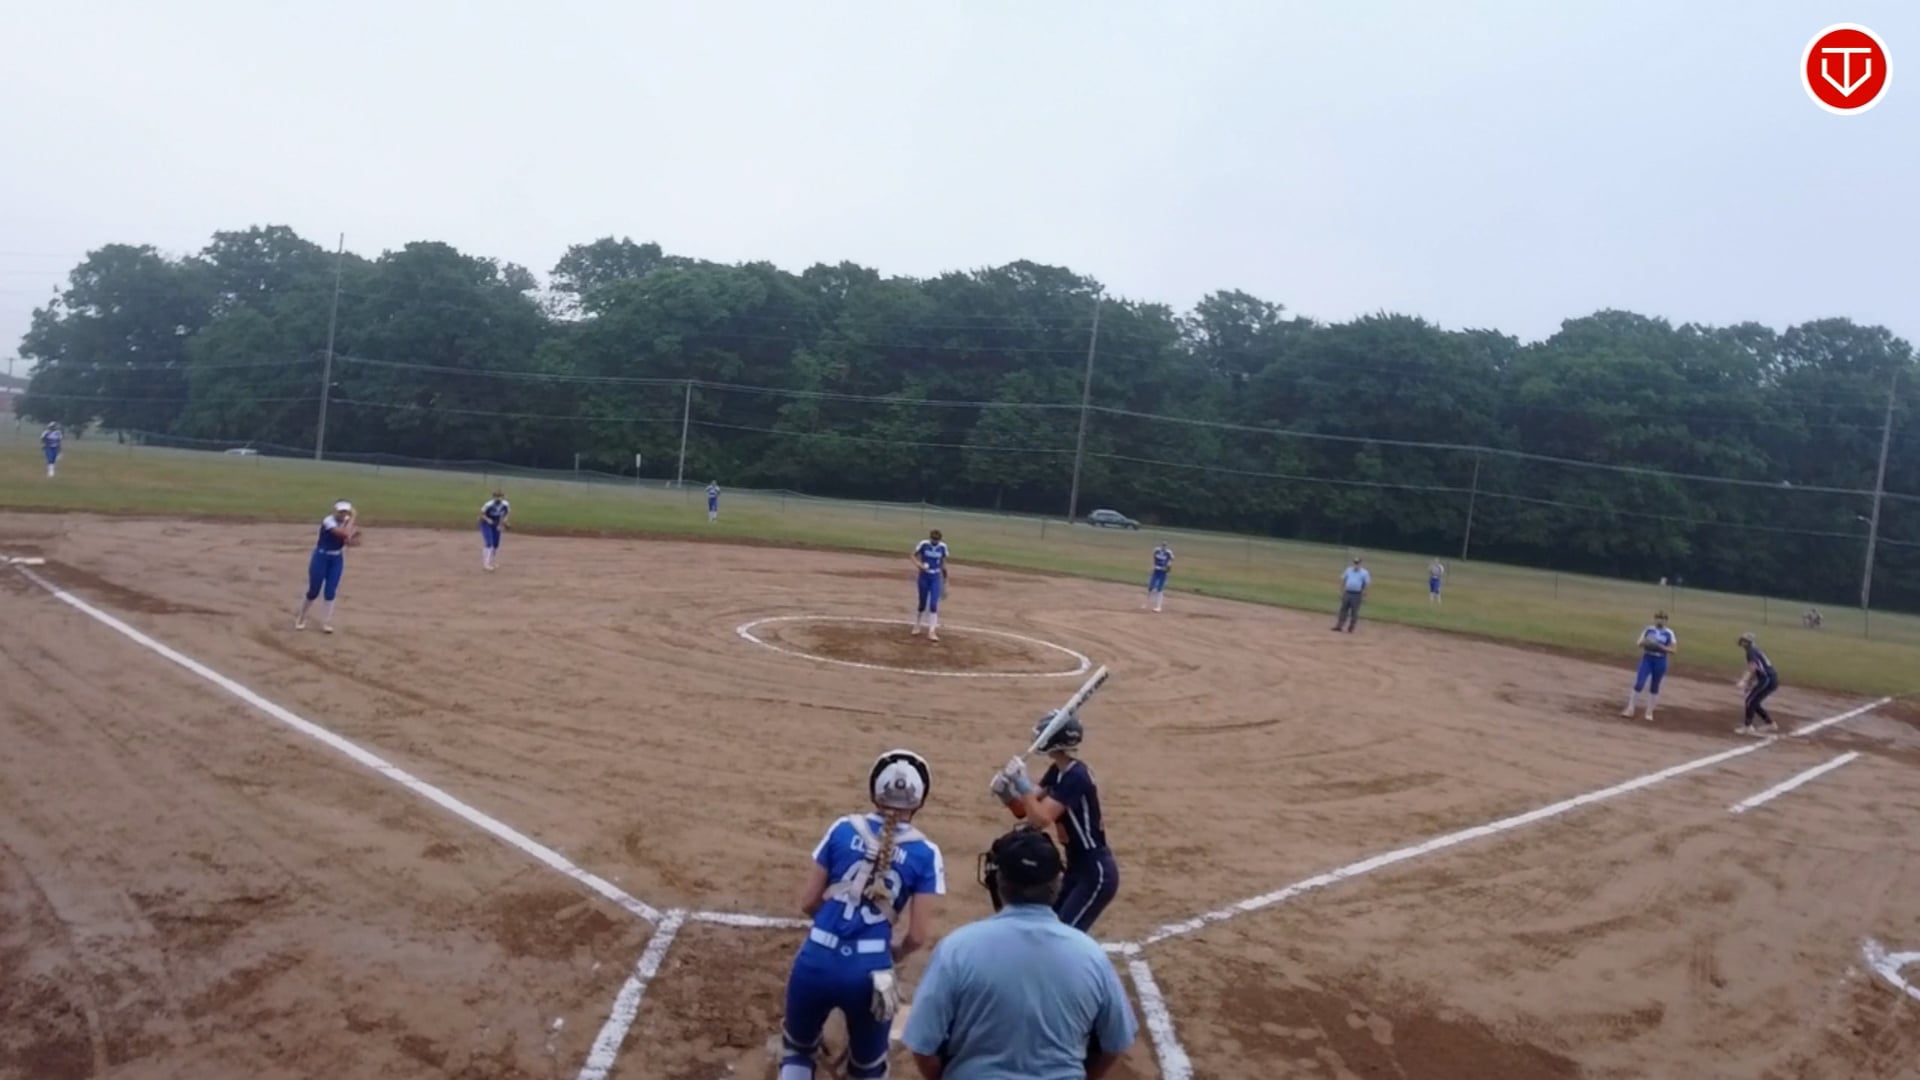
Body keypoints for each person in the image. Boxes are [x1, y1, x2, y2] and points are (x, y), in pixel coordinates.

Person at [903, 826, 1137, 1079]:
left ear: (997, 882)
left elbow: (923, 1046)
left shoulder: (956, 949)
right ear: (1058, 883)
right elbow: (1115, 1043)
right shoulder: (1091, 956)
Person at [781, 750, 944, 1080]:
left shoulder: (842, 828)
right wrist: (894, 953)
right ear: (918, 801)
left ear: (875, 792)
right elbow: (917, 937)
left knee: (797, 1052)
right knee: (868, 1069)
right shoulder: (926, 853)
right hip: (871, 975)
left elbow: (809, 902)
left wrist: (832, 928)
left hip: (815, 960)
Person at [992, 711, 1119, 933]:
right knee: (1048, 928)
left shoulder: (1077, 776)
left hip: (1094, 871)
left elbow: (1041, 819)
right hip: (1075, 866)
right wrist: (1007, 793)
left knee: (1061, 935)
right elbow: (1025, 810)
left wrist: (1022, 783)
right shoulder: (1057, 772)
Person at [295, 501, 359, 634]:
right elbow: (343, 534)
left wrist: (352, 540)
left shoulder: (346, 522)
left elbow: (349, 540)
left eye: (345, 512)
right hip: (321, 557)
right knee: (314, 590)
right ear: (335, 511)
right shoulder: (328, 521)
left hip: (336, 559)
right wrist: (352, 519)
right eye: (340, 512)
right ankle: (301, 616)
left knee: (330, 591)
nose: (343, 514)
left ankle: (326, 622)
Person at [1621, 610, 1676, 721]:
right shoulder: (1649, 630)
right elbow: (1639, 643)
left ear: (1666, 621)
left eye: (1663, 618)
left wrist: (1660, 647)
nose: (1660, 620)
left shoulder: (1669, 633)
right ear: (1655, 619)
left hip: (1660, 660)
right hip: (1647, 658)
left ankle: (1649, 711)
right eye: (1658, 618)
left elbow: (1674, 650)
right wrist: (1647, 643)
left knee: (1655, 685)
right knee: (1639, 683)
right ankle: (1630, 709)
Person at [1734, 632, 1780, 736]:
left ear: (1748, 642)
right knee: (1754, 701)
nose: (1741, 642)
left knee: (1750, 701)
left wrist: (1744, 681)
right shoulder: (1755, 650)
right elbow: (1757, 670)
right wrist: (1750, 684)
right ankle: (1770, 724)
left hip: (1767, 679)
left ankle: (1748, 727)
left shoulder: (1751, 652)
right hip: (1770, 679)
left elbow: (1753, 668)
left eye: (1743, 641)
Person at [910, 529, 949, 642]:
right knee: (922, 603)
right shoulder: (924, 544)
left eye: (937, 540)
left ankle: (932, 631)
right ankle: (917, 625)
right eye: (933, 539)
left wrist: (945, 580)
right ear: (930, 538)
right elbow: (912, 555)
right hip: (923, 577)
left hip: (935, 577)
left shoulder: (943, 547)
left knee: (933, 604)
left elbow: (943, 563)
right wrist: (919, 565)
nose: (935, 541)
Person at [1332, 556, 1370, 632]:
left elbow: (1366, 584)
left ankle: (1351, 627)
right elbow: (1344, 580)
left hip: (1357, 594)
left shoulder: (1364, 573)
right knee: (1343, 609)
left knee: (1354, 611)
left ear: (1360, 563)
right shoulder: (1348, 570)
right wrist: (1341, 591)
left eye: (1357, 563)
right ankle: (1339, 625)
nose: (1356, 564)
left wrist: (1364, 595)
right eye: (1355, 563)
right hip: (1347, 592)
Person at [477, 490, 510, 571]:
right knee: (489, 543)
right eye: (496, 497)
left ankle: (492, 561)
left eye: (500, 496)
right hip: (485, 524)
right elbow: (481, 514)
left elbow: (506, 514)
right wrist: (488, 520)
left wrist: (504, 522)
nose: (498, 498)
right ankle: (486, 564)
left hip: (496, 524)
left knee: (495, 544)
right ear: (493, 497)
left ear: (502, 497)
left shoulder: (505, 504)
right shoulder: (488, 504)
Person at [1142, 541, 1174, 613]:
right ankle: (1146, 604)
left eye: (1165, 545)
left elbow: (1171, 560)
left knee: (1160, 589)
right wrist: (1152, 567)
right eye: (1163, 545)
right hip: (1156, 571)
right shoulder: (1156, 550)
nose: (1164, 546)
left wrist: (1168, 567)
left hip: (1163, 573)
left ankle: (1158, 607)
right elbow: (1153, 559)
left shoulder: (1169, 552)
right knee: (1150, 587)